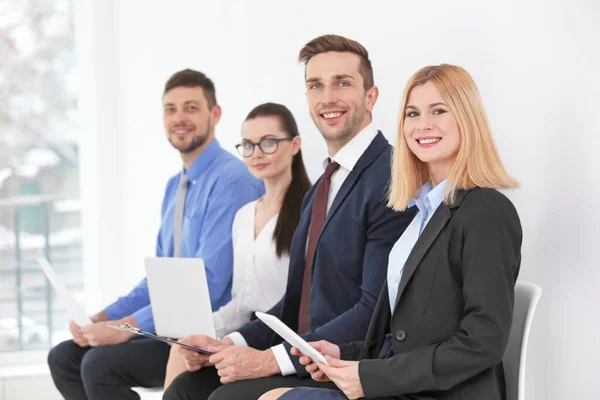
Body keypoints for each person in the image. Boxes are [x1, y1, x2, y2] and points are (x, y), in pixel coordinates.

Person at [163, 34, 416, 400]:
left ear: (371, 96)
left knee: (223, 398)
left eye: (342, 83)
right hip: (304, 355)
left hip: (347, 365)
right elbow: (294, 301)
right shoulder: (321, 187)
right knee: (186, 389)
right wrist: (227, 342)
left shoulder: (392, 178)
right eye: (316, 86)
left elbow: (374, 310)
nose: (327, 97)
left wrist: (269, 360)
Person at [261, 64, 522, 400]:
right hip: (402, 386)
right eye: (412, 113)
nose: (422, 124)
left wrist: (369, 376)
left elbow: (483, 342)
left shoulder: (486, 211)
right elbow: (405, 333)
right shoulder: (422, 212)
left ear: (466, 119)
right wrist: (346, 352)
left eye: (438, 110)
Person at [47, 69, 264, 400]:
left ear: (215, 114)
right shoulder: (174, 187)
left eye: (191, 107)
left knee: (99, 365)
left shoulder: (232, 181)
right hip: (169, 324)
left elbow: (209, 284)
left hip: (209, 332)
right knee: (63, 358)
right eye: (170, 109)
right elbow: (159, 279)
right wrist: (104, 318)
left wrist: (125, 329)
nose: (179, 118)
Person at [163, 102, 312, 388]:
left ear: (295, 145)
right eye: (248, 144)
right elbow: (242, 304)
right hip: (245, 334)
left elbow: (301, 304)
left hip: (282, 344)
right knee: (180, 351)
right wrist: (198, 332)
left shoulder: (310, 212)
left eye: (268, 143)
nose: (257, 153)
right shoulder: (244, 216)